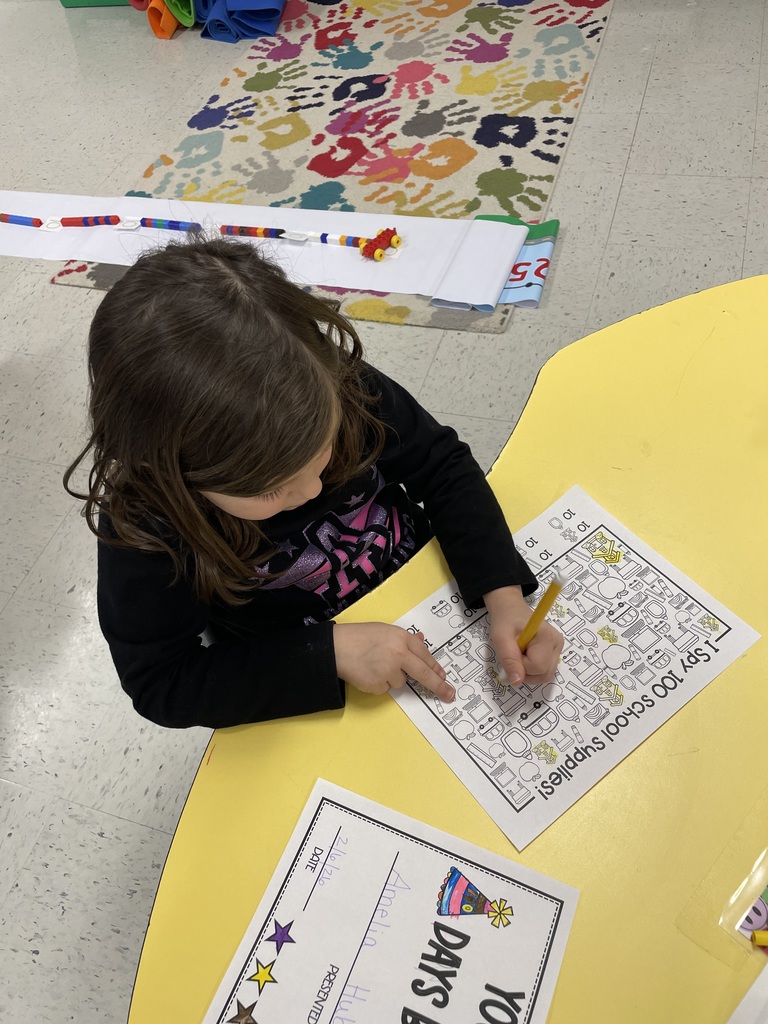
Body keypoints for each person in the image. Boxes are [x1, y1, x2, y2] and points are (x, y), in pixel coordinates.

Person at [64, 236, 563, 729]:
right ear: (173, 474)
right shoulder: (146, 522)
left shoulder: (334, 383)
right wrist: (327, 654)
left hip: (437, 600)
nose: (311, 490)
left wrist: (503, 594)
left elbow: (440, 464)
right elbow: (162, 683)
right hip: (310, 678)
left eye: (321, 453)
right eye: (268, 489)